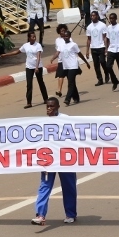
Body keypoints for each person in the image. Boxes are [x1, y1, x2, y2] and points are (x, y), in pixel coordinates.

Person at [31, 97, 77, 226]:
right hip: (48, 161)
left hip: (65, 160)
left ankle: (70, 214)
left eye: (52, 107)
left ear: (58, 107)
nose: (49, 109)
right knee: (44, 186)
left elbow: (75, 138)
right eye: (47, 107)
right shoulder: (42, 123)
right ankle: (40, 215)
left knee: (69, 187)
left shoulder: (66, 120)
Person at [0, 31, 48, 109]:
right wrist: (6, 55)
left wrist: (36, 67)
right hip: (29, 67)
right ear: (29, 38)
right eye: (32, 37)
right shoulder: (25, 45)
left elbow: (38, 56)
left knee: (40, 82)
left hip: (38, 67)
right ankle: (29, 102)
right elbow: (17, 52)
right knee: (29, 84)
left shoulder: (38, 45)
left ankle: (46, 99)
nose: (34, 38)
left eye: (35, 36)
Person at [50, 30, 91, 106]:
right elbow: (57, 53)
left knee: (70, 83)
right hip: (66, 67)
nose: (65, 38)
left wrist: (86, 62)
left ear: (69, 37)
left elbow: (80, 54)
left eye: (67, 36)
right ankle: (76, 97)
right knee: (72, 83)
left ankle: (67, 99)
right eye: (64, 36)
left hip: (73, 66)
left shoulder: (73, 45)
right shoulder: (61, 45)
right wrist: (53, 58)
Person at [85, 11, 109, 86]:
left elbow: (105, 37)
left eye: (94, 16)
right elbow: (89, 39)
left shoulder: (102, 25)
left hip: (101, 46)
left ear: (97, 16)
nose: (93, 17)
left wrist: (106, 47)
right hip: (93, 47)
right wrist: (87, 50)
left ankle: (106, 73)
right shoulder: (89, 27)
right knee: (96, 64)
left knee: (102, 61)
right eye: (91, 16)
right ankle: (100, 79)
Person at [105, 12, 119, 92]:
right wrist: (106, 48)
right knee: (108, 66)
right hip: (111, 49)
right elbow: (107, 38)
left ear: (116, 18)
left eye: (113, 18)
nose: (111, 20)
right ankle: (115, 81)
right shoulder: (108, 28)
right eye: (110, 18)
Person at [53, 24, 69, 97]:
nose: (63, 32)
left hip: (68, 60)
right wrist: (53, 58)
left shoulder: (69, 39)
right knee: (61, 76)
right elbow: (58, 50)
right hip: (61, 60)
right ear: (59, 32)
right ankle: (59, 90)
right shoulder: (57, 40)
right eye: (61, 31)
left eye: (64, 30)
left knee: (70, 77)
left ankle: (71, 90)